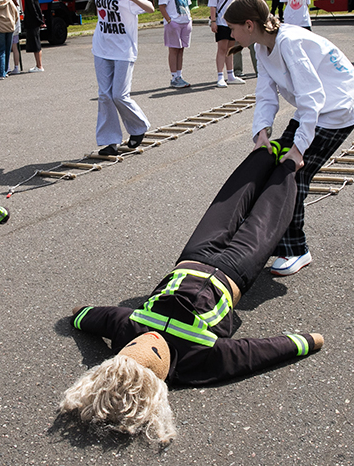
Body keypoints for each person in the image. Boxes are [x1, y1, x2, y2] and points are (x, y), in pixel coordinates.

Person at [60, 148, 323, 443]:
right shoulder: (196, 362)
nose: (148, 343)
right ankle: (288, 165)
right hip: (235, 272)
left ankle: (263, 153)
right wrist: (303, 342)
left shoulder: (126, 331)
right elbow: (253, 353)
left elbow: (100, 317)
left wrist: (78, 317)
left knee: (226, 205)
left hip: (194, 256)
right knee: (267, 218)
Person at [225, 0, 354, 276]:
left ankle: (296, 250)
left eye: (232, 28)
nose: (230, 34)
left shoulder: (289, 43)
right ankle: (278, 240)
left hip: (338, 107)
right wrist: (261, 133)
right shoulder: (261, 47)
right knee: (274, 163)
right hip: (317, 106)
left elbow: (312, 97)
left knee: (293, 174)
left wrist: (299, 149)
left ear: (249, 25)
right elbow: (266, 95)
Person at [70, 0, 153, 157]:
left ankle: (139, 127)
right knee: (104, 95)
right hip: (101, 47)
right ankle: (110, 142)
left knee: (119, 95)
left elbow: (150, 8)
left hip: (123, 49)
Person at [207, 0, 246, 88]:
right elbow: (213, 4)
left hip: (234, 22)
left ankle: (231, 75)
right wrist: (213, 21)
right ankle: (220, 76)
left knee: (230, 49)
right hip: (221, 22)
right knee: (222, 49)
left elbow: (241, 2)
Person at [157, 0, 192, 89]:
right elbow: (162, 6)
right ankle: (174, 77)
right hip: (173, 22)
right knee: (173, 49)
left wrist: (189, 19)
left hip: (185, 21)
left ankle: (179, 74)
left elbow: (187, 4)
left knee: (181, 50)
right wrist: (169, 20)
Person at [233, 0, 258, 77]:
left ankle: (258, 70)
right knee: (237, 45)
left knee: (254, 45)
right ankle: (237, 70)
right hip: (238, 18)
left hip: (249, 18)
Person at [19, 0, 45, 72]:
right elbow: (37, 8)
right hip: (36, 22)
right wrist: (40, 21)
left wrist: (38, 20)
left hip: (32, 23)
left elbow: (32, 9)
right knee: (37, 43)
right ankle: (38, 65)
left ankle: (39, 66)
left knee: (35, 44)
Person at [3, 0, 23, 74]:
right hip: (15, 28)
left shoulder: (8, 3)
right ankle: (16, 67)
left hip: (9, 28)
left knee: (7, 48)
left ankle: (7, 67)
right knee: (15, 48)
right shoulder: (15, 3)